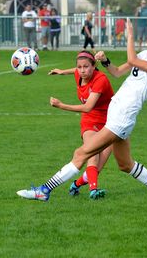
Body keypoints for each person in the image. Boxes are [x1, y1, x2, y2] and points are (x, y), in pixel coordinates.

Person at [16, 19, 147, 211]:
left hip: (123, 117)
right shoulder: (144, 55)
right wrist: (105, 61)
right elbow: (117, 72)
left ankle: (44, 191)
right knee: (126, 165)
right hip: (116, 113)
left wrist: (131, 36)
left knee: (81, 153)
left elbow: (133, 60)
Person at [48, 50, 114, 199]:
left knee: (97, 168)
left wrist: (61, 105)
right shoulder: (79, 74)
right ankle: (94, 191)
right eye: (79, 67)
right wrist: (62, 71)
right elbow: (88, 111)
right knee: (93, 152)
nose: (82, 70)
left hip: (111, 120)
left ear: (94, 66)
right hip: (90, 120)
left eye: (86, 67)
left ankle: (76, 185)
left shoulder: (100, 80)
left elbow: (87, 106)